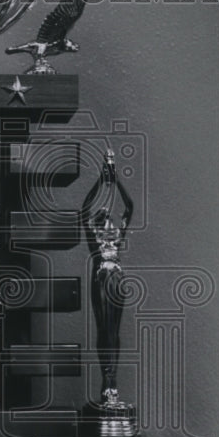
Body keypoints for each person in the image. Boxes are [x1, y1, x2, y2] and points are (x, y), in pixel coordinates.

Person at [81, 149, 133, 405]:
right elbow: (84, 209)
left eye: (109, 218)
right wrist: (101, 180)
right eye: (103, 219)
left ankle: (112, 383)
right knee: (105, 330)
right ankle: (107, 381)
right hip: (101, 277)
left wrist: (115, 178)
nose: (109, 222)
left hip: (117, 278)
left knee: (115, 330)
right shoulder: (95, 241)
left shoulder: (117, 236)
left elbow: (129, 207)